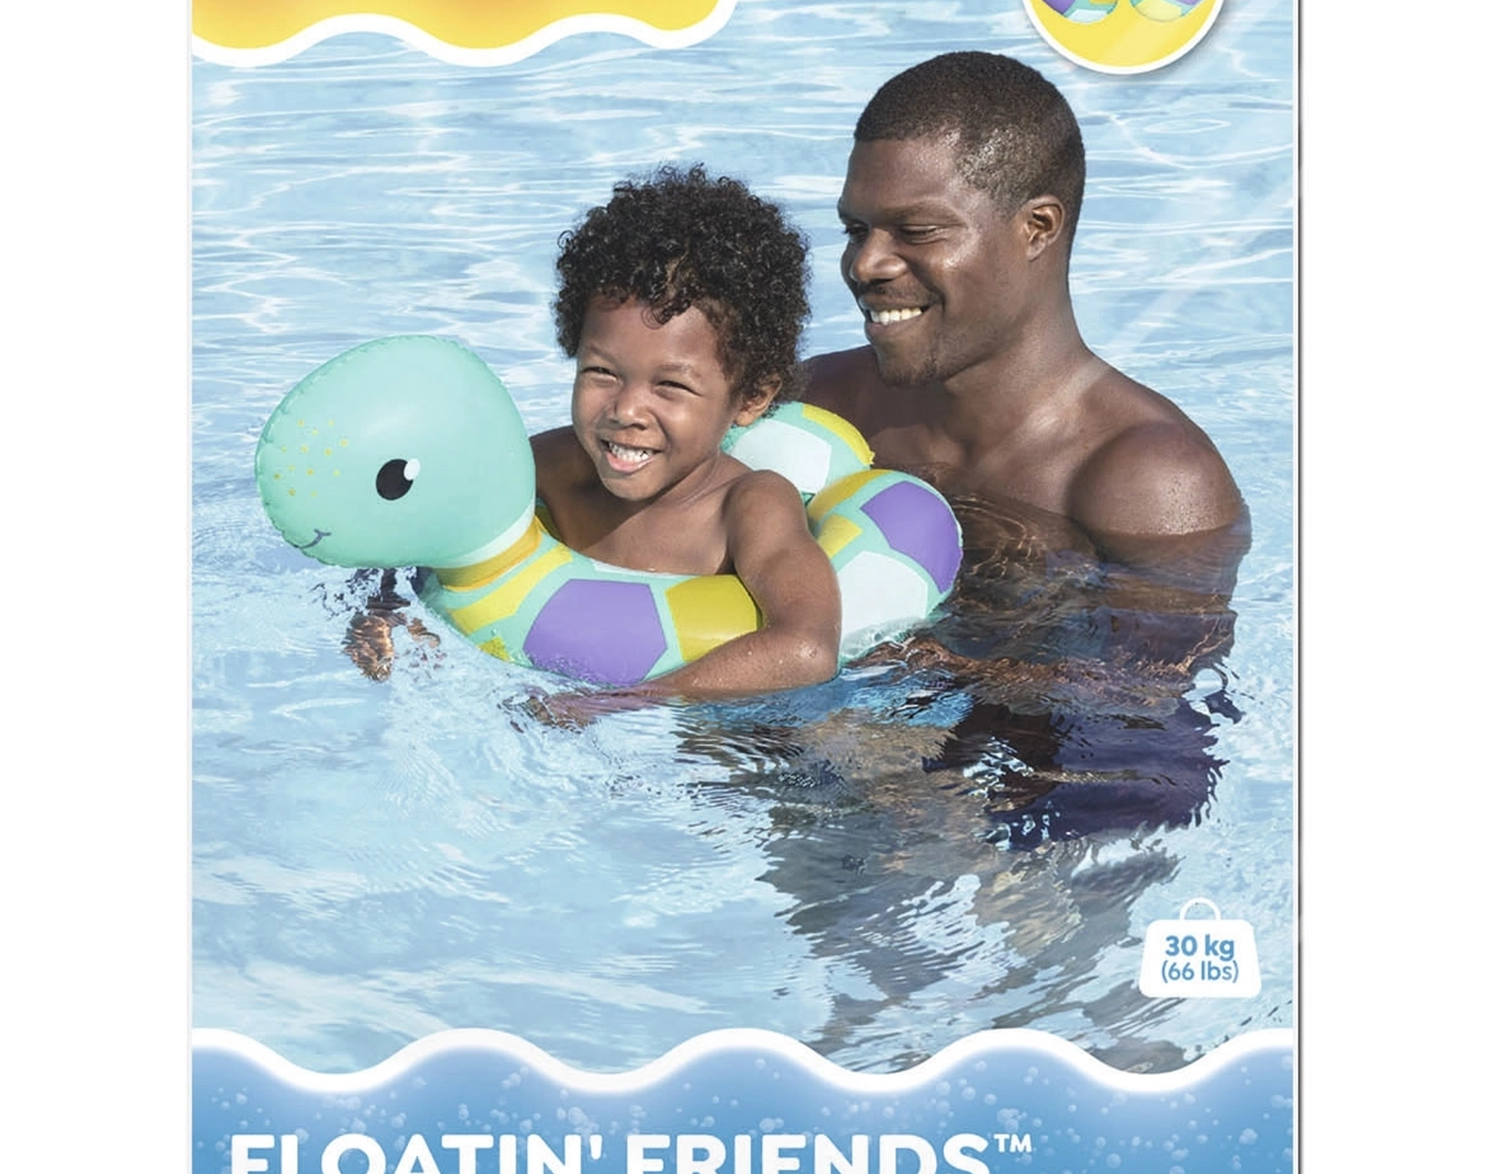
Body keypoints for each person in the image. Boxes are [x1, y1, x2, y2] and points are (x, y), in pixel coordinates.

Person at [801, 51, 1247, 575]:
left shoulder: (1148, 482)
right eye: (856, 231)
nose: (865, 264)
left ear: (1037, 228)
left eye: (917, 231)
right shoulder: (818, 404)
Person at [522, 166, 843, 697]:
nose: (626, 409)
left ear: (751, 397)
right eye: (602, 372)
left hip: (723, 731)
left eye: (670, 385)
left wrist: (628, 704)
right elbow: (438, 533)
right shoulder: (549, 467)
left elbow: (807, 649)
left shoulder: (748, 507)